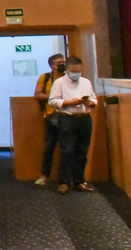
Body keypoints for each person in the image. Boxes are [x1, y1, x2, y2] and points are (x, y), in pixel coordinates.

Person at [46, 55, 97, 193]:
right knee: (67, 150)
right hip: (67, 119)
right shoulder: (59, 83)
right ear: (67, 69)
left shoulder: (86, 82)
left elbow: (93, 98)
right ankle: (64, 182)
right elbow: (52, 101)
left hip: (85, 118)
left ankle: (79, 181)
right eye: (74, 71)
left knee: (82, 151)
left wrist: (90, 102)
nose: (76, 74)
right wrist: (69, 102)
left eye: (79, 71)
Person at [33, 53, 66, 186]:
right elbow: (37, 95)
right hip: (51, 116)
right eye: (59, 63)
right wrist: (54, 97)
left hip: (67, 116)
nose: (62, 64)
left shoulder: (68, 78)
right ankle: (44, 175)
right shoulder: (45, 77)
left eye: (63, 62)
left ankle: (64, 178)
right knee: (49, 147)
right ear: (52, 65)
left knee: (67, 148)